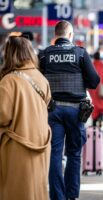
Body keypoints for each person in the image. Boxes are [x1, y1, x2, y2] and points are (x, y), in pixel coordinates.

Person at [39, 20, 100, 200]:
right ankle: (71, 195)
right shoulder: (80, 53)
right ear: (70, 35)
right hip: (76, 111)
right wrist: (82, 82)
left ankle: (57, 196)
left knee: (54, 154)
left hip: (53, 111)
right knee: (74, 154)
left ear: (54, 36)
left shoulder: (45, 55)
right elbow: (94, 81)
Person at [0, 36, 51, 200]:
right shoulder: (41, 78)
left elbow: (3, 115)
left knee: (17, 190)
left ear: (9, 54)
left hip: (18, 146)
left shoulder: (9, 81)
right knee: (36, 189)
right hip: (41, 143)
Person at [88, 52, 103, 128]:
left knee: (94, 106)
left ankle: (94, 121)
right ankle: (101, 116)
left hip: (93, 89)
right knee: (102, 105)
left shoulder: (91, 66)